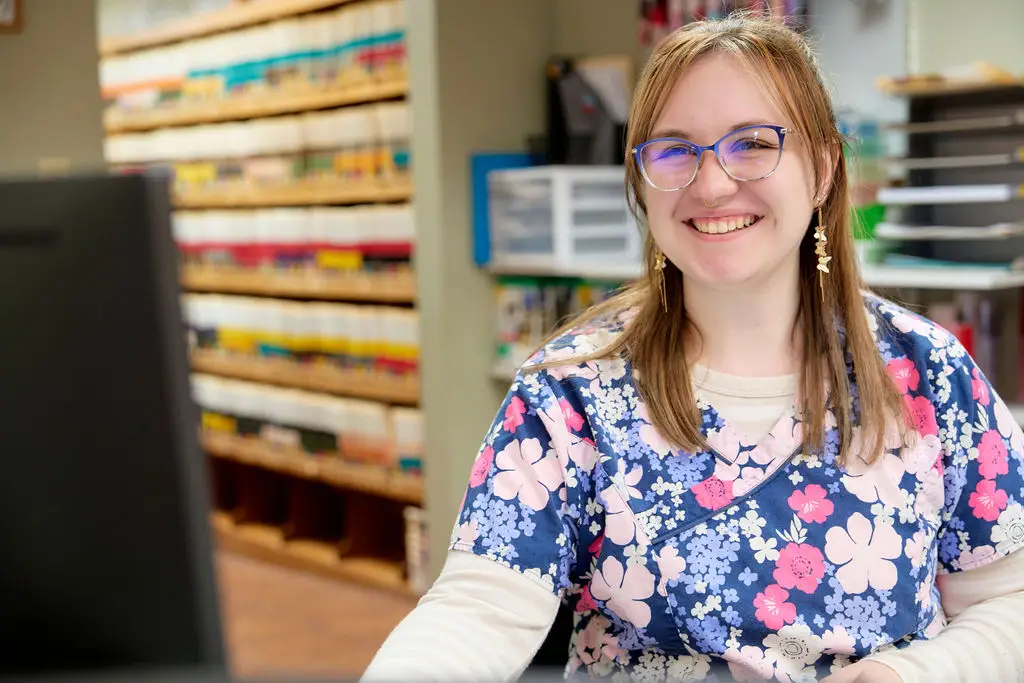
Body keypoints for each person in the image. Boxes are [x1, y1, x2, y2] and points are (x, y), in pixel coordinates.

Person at [363, 14, 1024, 683]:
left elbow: (1009, 600)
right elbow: (479, 607)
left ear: (823, 168)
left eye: (753, 144)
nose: (710, 186)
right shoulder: (570, 396)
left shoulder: (929, 378)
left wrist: (916, 673)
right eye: (675, 150)